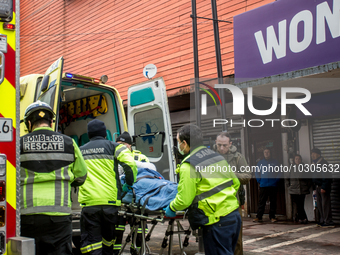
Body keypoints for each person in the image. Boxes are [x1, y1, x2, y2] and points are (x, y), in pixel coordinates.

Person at [20, 101, 88, 255]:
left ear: (29, 123)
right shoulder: (69, 142)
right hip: (59, 217)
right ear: (51, 122)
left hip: (28, 216)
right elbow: (81, 175)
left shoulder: (19, 144)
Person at [165, 124, 241, 255]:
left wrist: (172, 208)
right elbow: (235, 183)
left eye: (178, 142)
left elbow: (184, 200)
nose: (179, 146)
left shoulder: (189, 165)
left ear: (185, 143)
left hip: (216, 221)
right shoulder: (218, 157)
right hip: (234, 216)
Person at [78, 120, 137, 254]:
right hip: (111, 204)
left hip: (90, 204)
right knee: (108, 242)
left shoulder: (80, 150)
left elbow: (74, 173)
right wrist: (129, 183)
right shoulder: (115, 147)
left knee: (91, 244)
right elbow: (131, 165)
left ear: (89, 134)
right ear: (105, 134)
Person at [114, 131, 151, 254]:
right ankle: (116, 252)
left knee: (140, 230)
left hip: (138, 198)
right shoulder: (115, 156)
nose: (121, 146)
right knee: (117, 230)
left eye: (123, 144)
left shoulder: (140, 158)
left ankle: (137, 251)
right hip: (120, 199)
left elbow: (149, 174)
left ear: (130, 145)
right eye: (118, 144)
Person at [215, 132, 251, 255]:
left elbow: (247, 176)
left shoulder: (238, 157)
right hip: (214, 202)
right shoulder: (210, 157)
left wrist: (232, 175)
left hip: (234, 203)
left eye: (224, 145)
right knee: (216, 237)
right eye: (219, 145)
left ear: (230, 144)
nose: (221, 148)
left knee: (236, 239)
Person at [253, 148, 281, 223]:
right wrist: (259, 180)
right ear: (263, 153)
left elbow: (279, 172)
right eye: (265, 152)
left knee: (273, 202)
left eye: (268, 152)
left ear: (270, 153)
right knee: (261, 202)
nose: (266, 153)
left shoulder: (275, 162)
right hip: (263, 185)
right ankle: (259, 217)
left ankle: (272, 217)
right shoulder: (260, 163)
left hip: (273, 185)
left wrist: (276, 180)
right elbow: (257, 172)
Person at [311, 148, 334, 228]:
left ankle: (328, 221)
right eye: (312, 154)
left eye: (314, 153)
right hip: (317, 187)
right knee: (320, 205)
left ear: (319, 154)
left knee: (325, 205)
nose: (312, 155)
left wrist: (324, 187)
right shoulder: (314, 164)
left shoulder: (323, 163)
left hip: (323, 187)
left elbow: (327, 176)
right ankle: (322, 220)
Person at [286, 154, 311, 224]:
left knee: (301, 204)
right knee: (297, 204)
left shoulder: (305, 168)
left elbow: (309, 179)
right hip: (293, 189)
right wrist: (289, 186)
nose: (298, 160)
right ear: (294, 160)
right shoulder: (291, 168)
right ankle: (302, 218)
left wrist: (307, 186)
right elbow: (287, 178)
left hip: (302, 189)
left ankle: (301, 218)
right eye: (296, 159)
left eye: (299, 159)